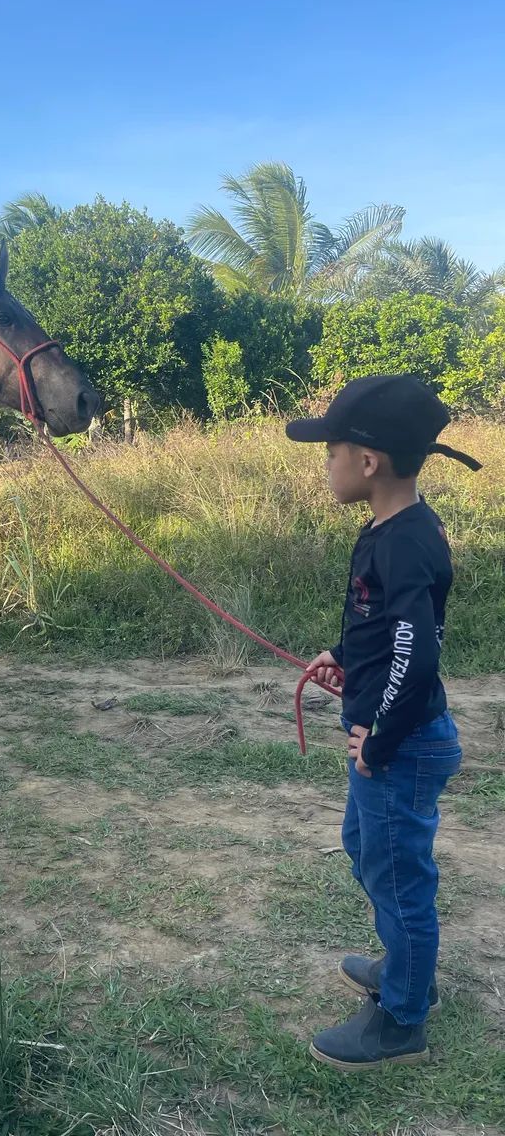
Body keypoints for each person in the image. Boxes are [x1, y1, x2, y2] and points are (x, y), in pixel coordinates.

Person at [286, 374, 481, 1071]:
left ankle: (402, 1017)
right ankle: (405, 964)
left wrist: (383, 734)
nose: (326, 463)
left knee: (399, 877)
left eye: (330, 450)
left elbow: (417, 650)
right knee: (365, 847)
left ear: (367, 462)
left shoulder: (402, 541)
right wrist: (344, 654)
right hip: (389, 736)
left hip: (400, 747)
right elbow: (387, 624)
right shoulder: (394, 529)